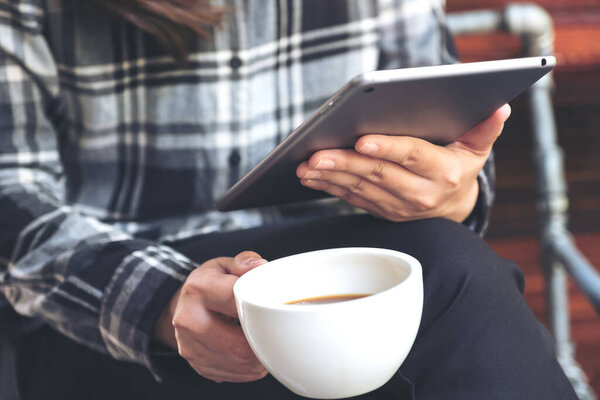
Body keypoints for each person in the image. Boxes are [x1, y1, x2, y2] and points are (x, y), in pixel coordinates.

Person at [0, 0, 577, 399]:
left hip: (341, 316)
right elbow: (13, 199)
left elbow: (444, 151)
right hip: (107, 329)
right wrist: (161, 298)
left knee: (448, 271)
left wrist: (449, 195)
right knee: (453, 276)